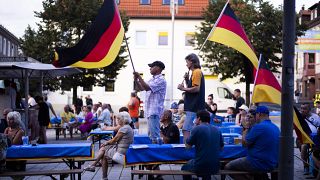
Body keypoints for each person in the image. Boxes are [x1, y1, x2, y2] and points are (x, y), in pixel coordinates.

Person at [225, 106, 280, 180]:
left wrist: (246, 128)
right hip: (273, 161)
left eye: (255, 115)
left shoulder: (258, 127)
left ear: (259, 114)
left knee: (227, 167)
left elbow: (244, 144)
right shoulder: (275, 127)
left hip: (258, 162)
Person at [85, 112, 133, 180]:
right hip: (125, 150)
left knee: (103, 151)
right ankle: (94, 166)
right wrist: (107, 143)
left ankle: (96, 168)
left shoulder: (123, 129)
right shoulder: (128, 127)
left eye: (118, 119)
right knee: (103, 150)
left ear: (123, 119)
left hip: (121, 153)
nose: (117, 120)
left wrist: (106, 143)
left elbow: (114, 140)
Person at [181, 110, 223, 180]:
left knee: (184, 167)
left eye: (196, 118)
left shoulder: (197, 128)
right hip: (216, 166)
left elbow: (188, 147)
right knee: (205, 164)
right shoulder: (217, 129)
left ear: (199, 119)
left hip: (200, 166)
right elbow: (221, 148)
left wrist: (186, 134)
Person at [133, 60, 167, 143]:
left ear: (158, 68)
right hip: (150, 111)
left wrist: (139, 77)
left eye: (152, 67)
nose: (150, 68)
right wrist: (136, 80)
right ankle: (155, 153)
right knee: (151, 135)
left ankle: (158, 153)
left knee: (155, 136)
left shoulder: (161, 79)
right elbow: (141, 88)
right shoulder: (152, 79)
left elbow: (147, 87)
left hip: (154, 111)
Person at [177, 53, 205, 143]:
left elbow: (196, 89)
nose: (186, 64)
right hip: (194, 106)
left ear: (192, 62)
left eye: (187, 62)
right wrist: (187, 80)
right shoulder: (195, 72)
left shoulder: (196, 72)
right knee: (192, 128)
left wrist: (183, 88)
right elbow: (193, 86)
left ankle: (187, 147)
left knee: (186, 129)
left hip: (194, 106)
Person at [298, 103, 320, 174]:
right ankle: (306, 166)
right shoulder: (299, 118)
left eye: (304, 108)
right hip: (304, 139)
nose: (302, 110)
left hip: (315, 139)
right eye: (301, 108)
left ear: (309, 110)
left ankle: (315, 168)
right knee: (303, 146)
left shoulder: (315, 117)